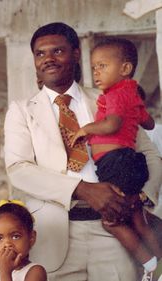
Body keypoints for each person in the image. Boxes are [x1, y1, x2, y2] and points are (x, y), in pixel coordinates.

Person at [4, 22, 162, 281]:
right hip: (53, 232)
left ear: (76, 54)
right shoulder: (21, 110)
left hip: (113, 228)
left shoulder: (107, 98)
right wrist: (83, 189)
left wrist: (143, 196)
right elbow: (19, 170)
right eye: (40, 54)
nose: (48, 59)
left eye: (57, 51)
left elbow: (151, 153)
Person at [70, 38, 160, 279]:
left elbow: (112, 124)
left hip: (116, 163)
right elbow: (148, 122)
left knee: (112, 221)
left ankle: (150, 263)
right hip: (126, 161)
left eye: (103, 66)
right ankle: (158, 263)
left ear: (125, 69)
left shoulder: (116, 94)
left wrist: (87, 129)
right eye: (94, 67)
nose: (96, 72)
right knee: (136, 216)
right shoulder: (129, 93)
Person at [0, 201, 47, 281]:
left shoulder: (36, 272)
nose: (7, 244)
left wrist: (5, 273)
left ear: (31, 238)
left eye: (15, 236)